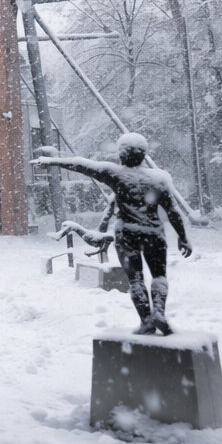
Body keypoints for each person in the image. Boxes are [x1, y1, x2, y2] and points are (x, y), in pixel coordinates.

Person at [32, 133, 193, 335]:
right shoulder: (159, 179)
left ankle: (146, 321)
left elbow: (81, 165)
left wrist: (52, 161)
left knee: (136, 279)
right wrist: (183, 238)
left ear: (122, 155)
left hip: (127, 235)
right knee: (159, 276)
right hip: (154, 234)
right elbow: (173, 212)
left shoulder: (115, 174)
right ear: (143, 155)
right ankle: (159, 312)